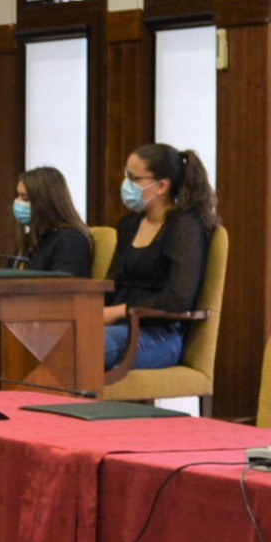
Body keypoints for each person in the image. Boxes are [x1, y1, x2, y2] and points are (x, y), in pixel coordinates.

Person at [105, 143, 216, 371]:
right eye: (127, 175)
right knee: (56, 342)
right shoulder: (129, 224)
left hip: (161, 336)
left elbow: (178, 299)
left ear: (162, 186)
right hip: (119, 328)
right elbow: (113, 284)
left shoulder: (185, 226)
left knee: (80, 348)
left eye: (135, 179)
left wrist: (120, 311)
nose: (126, 185)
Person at [9, 166, 93, 278]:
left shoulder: (71, 240)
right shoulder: (31, 238)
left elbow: (62, 289)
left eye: (25, 198)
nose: (17, 202)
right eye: (18, 195)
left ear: (46, 202)